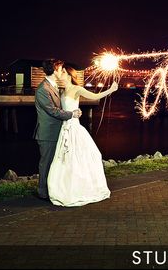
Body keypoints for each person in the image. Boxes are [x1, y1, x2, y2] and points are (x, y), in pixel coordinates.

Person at [47, 65, 118, 207]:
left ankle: (79, 189)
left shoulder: (76, 89)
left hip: (74, 128)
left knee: (81, 158)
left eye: (62, 71)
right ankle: (64, 189)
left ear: (68, 74)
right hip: (65, 128)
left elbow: (95, 96)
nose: (59, 73)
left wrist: (110, 90)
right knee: (65, 160)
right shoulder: (62, 90)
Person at [34, 59, 82, 200]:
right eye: (61, 69)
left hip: (57, 132)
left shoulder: (53, 86)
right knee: (46, 163)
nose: (62, 71)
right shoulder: (42, 89)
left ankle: (53, 189)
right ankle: (43, 192)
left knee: (55, 164)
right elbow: (52, 111)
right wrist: (71, 114)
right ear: (54, 70)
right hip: (47, 133)